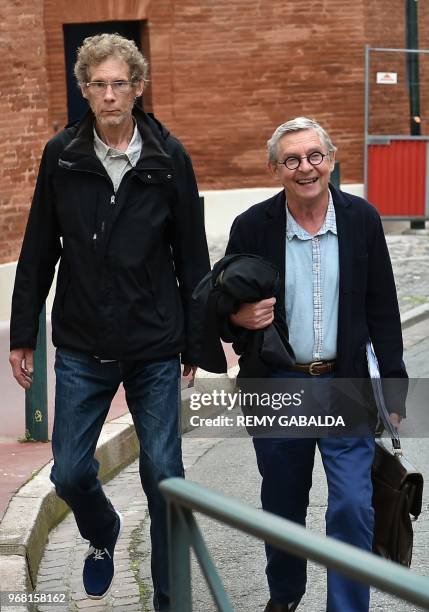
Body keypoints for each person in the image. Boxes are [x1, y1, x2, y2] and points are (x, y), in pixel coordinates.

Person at [9, 33, 210, 611]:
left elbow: (192, 254)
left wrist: (196, 339)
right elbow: (40, 244)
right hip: (81, 342)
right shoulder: (62, 155)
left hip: (153, 342)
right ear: (84, 91)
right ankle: (102, 535)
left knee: (164, 472)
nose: (109, 94)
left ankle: (171, 598)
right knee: (69, 473)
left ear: (138, 87)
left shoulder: (168, 157)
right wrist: (24, 331)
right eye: (97, 84)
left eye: (119, 83)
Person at [225, 117, 407, 612]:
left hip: (345, 382)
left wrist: (393, 389)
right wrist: (239, 316)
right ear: (275, 168)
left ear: (330, 160)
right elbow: (219, 308)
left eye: (314, 157)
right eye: (292, 160)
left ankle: (346, 608)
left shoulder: (361, 220)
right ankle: (285, 595)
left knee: (352, 502)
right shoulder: (252, 227)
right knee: (283, 503)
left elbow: (383, 309)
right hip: (280, 384)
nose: (305, 168)